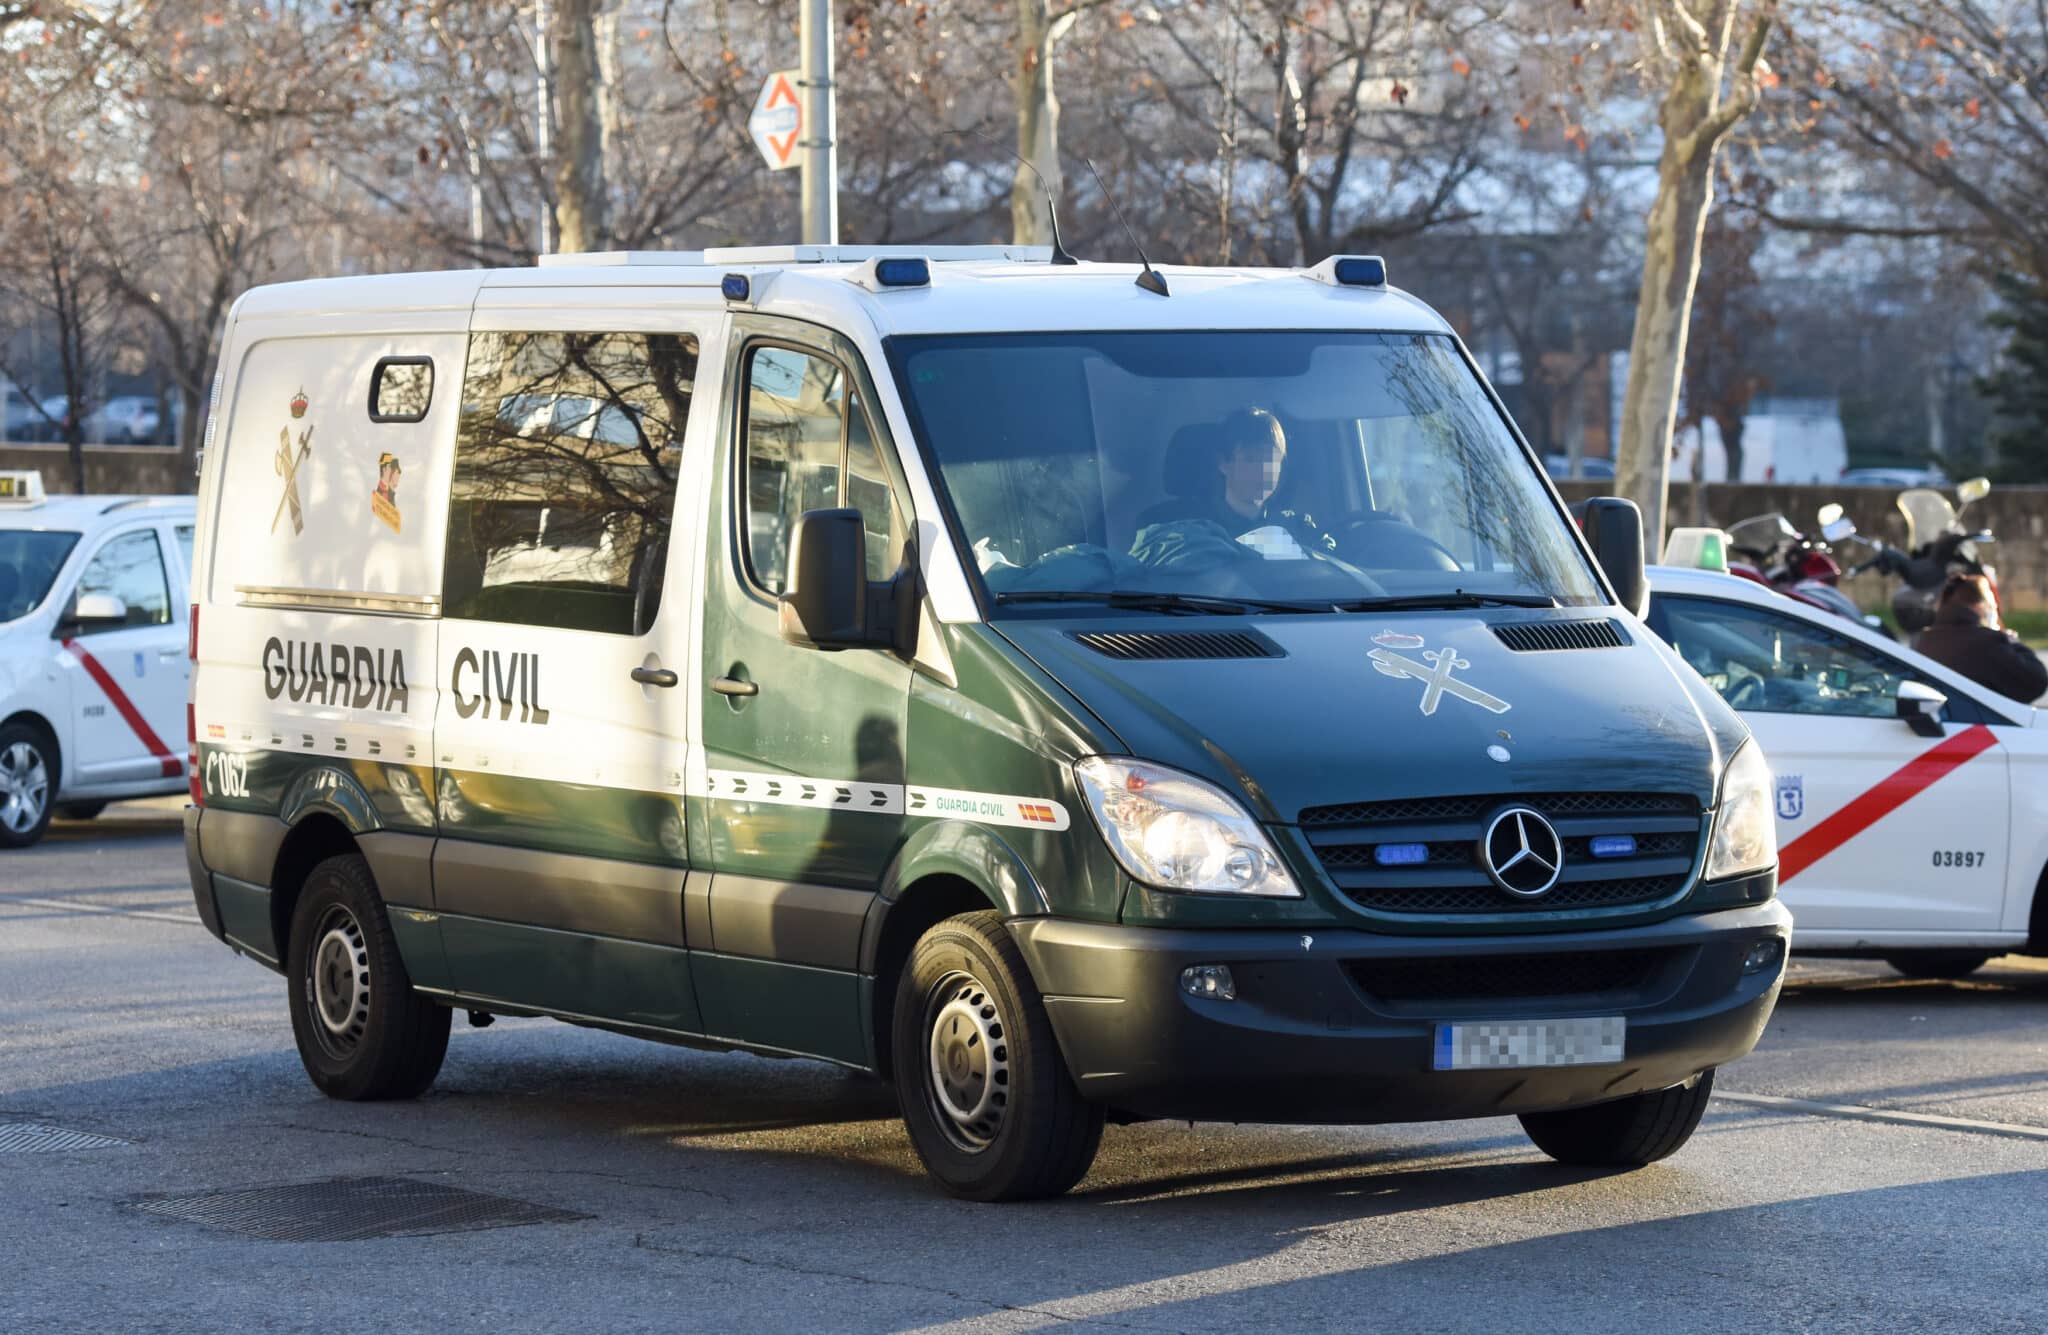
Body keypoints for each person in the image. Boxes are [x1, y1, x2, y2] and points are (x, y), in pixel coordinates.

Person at [1913, 573, 2046, 705]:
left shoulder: (1926, 639)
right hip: (1982, 722)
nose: (1994, 613)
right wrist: (2014, 643)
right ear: (1980, 606)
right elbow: (2036, 681)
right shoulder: (1988, 642)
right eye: (1993, 608)